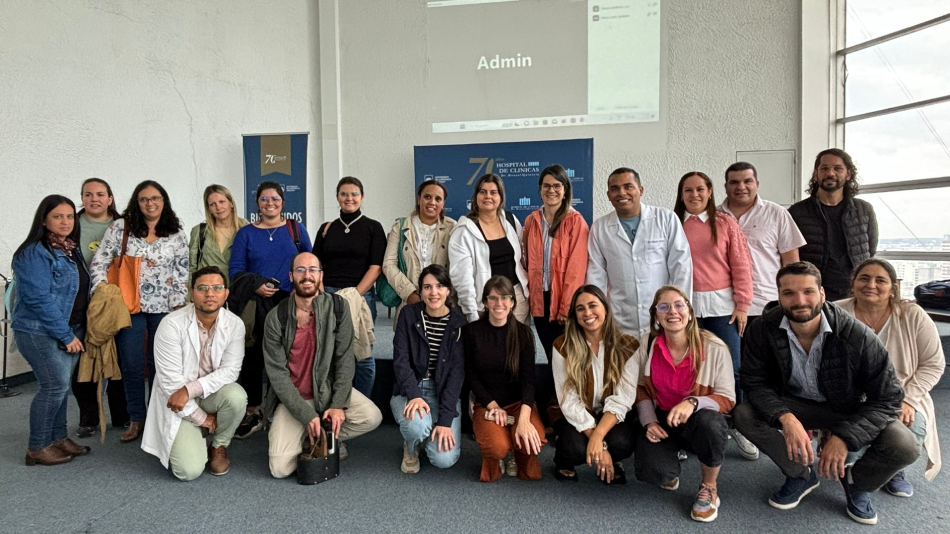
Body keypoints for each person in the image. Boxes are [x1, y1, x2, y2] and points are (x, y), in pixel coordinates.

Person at [734, 261, 918, 525]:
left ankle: (857, 483)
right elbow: (754, 382)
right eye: (789, 293)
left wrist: (844, 437)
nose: (800, 301)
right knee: (744, 414)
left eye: (808, 291)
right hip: (794, 405)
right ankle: (800, 474)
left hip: (849, 408)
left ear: (822, 294)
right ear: (779, 297)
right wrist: (785, 418)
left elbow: (888, 399)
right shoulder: (762, 329)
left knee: (905, 446)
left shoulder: (858, 336)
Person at [263, 252, 382, 478]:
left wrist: (338, 405)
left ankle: (318, 436)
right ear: (291, 276)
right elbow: (277, 376)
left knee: (371, 416)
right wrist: (306, 415)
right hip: (295, 398)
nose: (307, 276)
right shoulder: (276, 317)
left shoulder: (338, 308)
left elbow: (345, 359)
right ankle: (312, 431)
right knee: (279, 469)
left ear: (320, 276)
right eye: (300, 270)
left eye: (312, 270)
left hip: (326, 392)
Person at [90, 180, 189, 443]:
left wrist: (180, 307)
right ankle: (137, 419)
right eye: (144, 199)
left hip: (165, 311)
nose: (150, 203)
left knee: (162, 366)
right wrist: (103, 293)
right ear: (137, 201)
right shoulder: (121, 227)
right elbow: (100, 262)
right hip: (128, 308)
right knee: (132, 365)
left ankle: (160, 417)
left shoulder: (176, 232)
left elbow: (182, 272)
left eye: (155, 198)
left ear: (163, 201)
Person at [836, 258, 944, 495]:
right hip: (853, 396)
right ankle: (870, 467)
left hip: (902, 394)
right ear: (853, 282)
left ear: (893, 287)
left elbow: (933, 365)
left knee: (909, 433)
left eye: (880, 280)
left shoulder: (912, 315)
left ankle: (891, 469)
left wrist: (909, 400)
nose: (871, 285)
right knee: (852, 442)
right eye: (864, 278)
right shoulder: (836, 312)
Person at [633, 286, 736, 522]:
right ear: (656, 315)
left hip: (699, 421)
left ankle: (709, 487)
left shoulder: (715, 347)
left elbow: (728, 399)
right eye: (663, 307)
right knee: (654, 473)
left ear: (689, 312)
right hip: (663, 419)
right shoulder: (647, 343)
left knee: (710, 423)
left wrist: (693, 402)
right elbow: (639, 387)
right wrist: (649, 422)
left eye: (679, 305)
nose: (672, 312)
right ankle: (669, 461)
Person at [674, 171, 757, 460]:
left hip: (723, 310)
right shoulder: (675, 225)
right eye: (688, 190)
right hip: (686, 311)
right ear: (681, 195)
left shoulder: (725, 223)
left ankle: (740, 426)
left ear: (710, 192)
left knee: (731, 369)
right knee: (688, 369)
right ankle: (684, 429)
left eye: (700, 189)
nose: (694, 195)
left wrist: (743, 304)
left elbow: (742, 266)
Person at [142, 266, 248, 481]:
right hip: (176, 400)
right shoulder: (171, 324)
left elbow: (231, 371)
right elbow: (170, 383)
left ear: (226, 293)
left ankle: (218, 445)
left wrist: (190, 389)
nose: (210, 293)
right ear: (192, 292)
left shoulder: (235, 324)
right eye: (203, 288)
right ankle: (199, 431)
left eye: (217, 288)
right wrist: (202, 418)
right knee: (187, 472)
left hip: (208, 394)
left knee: (236, 396)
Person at [229, 180, 311, 439]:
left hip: (290, 302)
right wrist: (256, 285)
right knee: (252, 357)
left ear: (282, 202)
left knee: (289, 357)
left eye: (274, 199)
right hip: (255, 304)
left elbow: (309, 264)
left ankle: (283, 408)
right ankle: (253, 411)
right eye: (264, 199)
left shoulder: (295, 230)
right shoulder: (246, 233)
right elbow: (235, 270)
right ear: (258, 204)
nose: (270, 203)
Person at [14, 196, 93, 465]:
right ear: (44, 219)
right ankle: (37, 446)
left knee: (62, 388)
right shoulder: (34, 252)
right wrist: (65, 334)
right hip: (41, 332)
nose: (65, 221)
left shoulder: (70, 248)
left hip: (70, 328)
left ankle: (58, 438)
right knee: (53, 387)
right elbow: (38, 299)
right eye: (58, 216)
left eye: (70, 216)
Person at [587, 167, 692, 337]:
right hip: (621, 320)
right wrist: (597, 315)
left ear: (640, 190)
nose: (622, 193)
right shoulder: (600, 228)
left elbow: (682, 267)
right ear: (608, 195)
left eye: (628, 186)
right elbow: (595, 275)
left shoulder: (665, 219)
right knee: (625, 363)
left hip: (664, 318)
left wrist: (682, 311)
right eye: (615, 189)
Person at [551, 285, 639, 485]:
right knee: (574, 449)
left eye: (593, 305)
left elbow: (623, 398)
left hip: (610, 414)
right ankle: (563, 460)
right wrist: (596, 440)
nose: (587, 313)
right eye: (580, 308)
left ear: (605, 309)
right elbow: (568, 399)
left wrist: (599, 437)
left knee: (623, 443)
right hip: (576, 412)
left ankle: (614, 460)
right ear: (575, 314)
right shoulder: (562, 345)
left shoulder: (628, 345)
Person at [522, 165, 589, 421]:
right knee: (552, 357)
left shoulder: (575, 221)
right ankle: (555, 410)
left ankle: (567, 414)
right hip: (540, 302)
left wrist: (566, 308)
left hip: (564, 305)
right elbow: (527, 262)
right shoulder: (531, 220)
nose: (551, 190)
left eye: (557, 186)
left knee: (567, 360)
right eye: (547, 185)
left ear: (565, 190)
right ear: (540, 189)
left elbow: (576, 268)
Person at [465, 276, 545, 482]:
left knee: (534, 438)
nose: (499, 304)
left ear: (512, 302)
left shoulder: (524, 333)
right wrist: (493, 406)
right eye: (493, 298)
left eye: (505, 298)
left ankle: (516, 451)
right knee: (498, 447)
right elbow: (471, 376)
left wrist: (525, 419)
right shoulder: (472, 332)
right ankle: (504, 452)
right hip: (487, 404)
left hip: (519, 404)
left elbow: (529, 380)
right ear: (485, 302)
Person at [313, 176, 387, 398]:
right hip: (328, 295)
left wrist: (353, 295)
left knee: (362, 356)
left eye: (354, 193)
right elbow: (316, 265)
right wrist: (325, 293)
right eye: (344, 193)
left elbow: (376, 267)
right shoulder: (327, 229)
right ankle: (334, 403)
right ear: (337, 197)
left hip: (361, 297)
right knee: (329, 355)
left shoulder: (373, 227)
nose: (349, 198)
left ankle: (361, 403)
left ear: (362, 197)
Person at [390, 264, 466, 473]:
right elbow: (401, 361)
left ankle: (429, 427)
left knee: (444, 459)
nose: (434, 293)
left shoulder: (459, 323)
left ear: (448, 290)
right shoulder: (408, 315)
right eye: (427, 287)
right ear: (421, 291)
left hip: (442, 393)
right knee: (416, 427)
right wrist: (414, 395)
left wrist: (444, 421)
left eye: (439, 286)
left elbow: (456, 375)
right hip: (409, 390)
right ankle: (411, 446)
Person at [72, 178, 128, 438]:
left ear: (110, 198)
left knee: (119, 356)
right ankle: (89, 417)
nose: (94, 199)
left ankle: (121, 414)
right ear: (82, 198)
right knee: (84, 357)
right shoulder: (70, 224)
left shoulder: (125, 226)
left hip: (116, 300)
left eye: (100, 194)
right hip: (79, 302)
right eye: (88, 194)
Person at [718, 162, 805, 324]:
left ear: (757, 184)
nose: (741, 186)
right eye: (734, 182)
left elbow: (792, 264)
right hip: (723, 305)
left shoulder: (777, 214)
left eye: (747, 181)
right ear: (725, 186)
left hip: (767, 304)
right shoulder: (714, 217)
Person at [789, 149, 878, 301]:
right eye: (824, 168)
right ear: (816, 174)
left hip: (854, 292)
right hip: (814, 292)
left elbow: (870, 249)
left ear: (848, 174)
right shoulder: (797, 212)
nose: (830, 173)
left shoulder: (864, 210)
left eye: (837, 168)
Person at [449, 174, 530, 324]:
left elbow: (522, 260)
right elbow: (462, 279)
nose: (488, 196)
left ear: (501, 197)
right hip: (485, 304)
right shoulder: (463, 231)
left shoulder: (511, 221)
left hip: (516, 300)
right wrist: (472, 314)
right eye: (483, 192)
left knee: (517, 345)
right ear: (476, 196)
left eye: (493, 192)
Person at [382, 179, 457, 324]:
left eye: (438, 199)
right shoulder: (400, 226)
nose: (432, 202)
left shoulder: (453, 228)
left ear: (443, 204)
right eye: (427, 197)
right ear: (419, 199)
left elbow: (459, 267)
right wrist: (408, 292)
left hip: (442, 303)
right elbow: (388, 264)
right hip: (410, 301)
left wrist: (440, 293)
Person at [188, 184, 248, 280]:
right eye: (212, 204)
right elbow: (192, 268)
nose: (218, 207)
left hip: (238, 289)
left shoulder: (246, 228)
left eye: (222, 202)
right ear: (209, 209)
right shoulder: (200, 231)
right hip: (208, 291)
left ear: (231, 203)